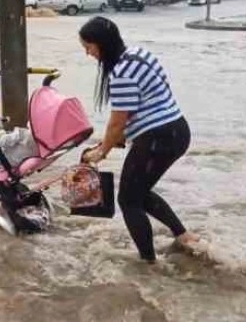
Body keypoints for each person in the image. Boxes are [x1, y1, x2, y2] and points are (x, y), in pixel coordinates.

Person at [78, 16, 200, 263]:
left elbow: (118, 122)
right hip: (177, 130)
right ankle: (184, 236)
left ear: (102, 44)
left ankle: (149, 263)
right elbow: (140, 107)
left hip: (158, 137)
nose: (88, 54)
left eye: (88, 47)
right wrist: (110, 142)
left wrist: (101, 152)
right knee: (139, 193)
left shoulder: (121, 73)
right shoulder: (139, 54)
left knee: (128, 199)